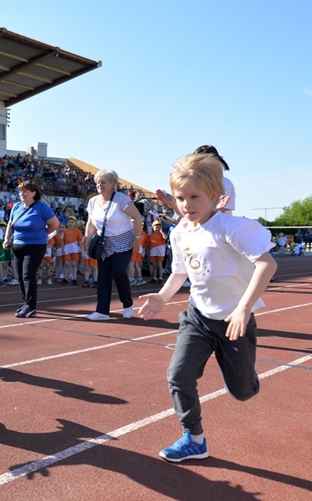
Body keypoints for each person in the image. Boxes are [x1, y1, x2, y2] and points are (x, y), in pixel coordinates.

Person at [138, 152, 277, 463]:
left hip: (233, 320)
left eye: (194, 197)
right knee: (178, 375)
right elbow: (179, 272)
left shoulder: (233, 228)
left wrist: (243, 308)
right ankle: (194, 438)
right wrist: (162, 297)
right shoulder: (180, 232)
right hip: (197, 317)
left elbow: (267, 264)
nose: (186, 205)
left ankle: (247, 376)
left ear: (215, 196)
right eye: (180, 198)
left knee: (242, 391)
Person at [84, 169, 143, 321]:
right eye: (97, 182)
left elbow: (137, 216)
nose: (99, 185)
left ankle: (127, 304)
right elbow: (91, 223)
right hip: (104, 243)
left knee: (118, 272)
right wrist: (87, 239)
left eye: (103, 182)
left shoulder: (121, 199)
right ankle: (102, 311)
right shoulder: (93, 201)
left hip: (124, 241)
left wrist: (137, 238)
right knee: (103, 276)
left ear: (113, 184)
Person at [2, 181, 60, 318]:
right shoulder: (16, 207)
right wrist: (6, 239)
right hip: (17, 245)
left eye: (25, 191)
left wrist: (43, 234)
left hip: (35, 246)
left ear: (33, 193)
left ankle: (31, 307)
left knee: (28, 275)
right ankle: (25, 303)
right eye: (21, 191)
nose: (22, 193)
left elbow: (55, 224)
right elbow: (10, 223)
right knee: (21, 277)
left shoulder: (42, 207)